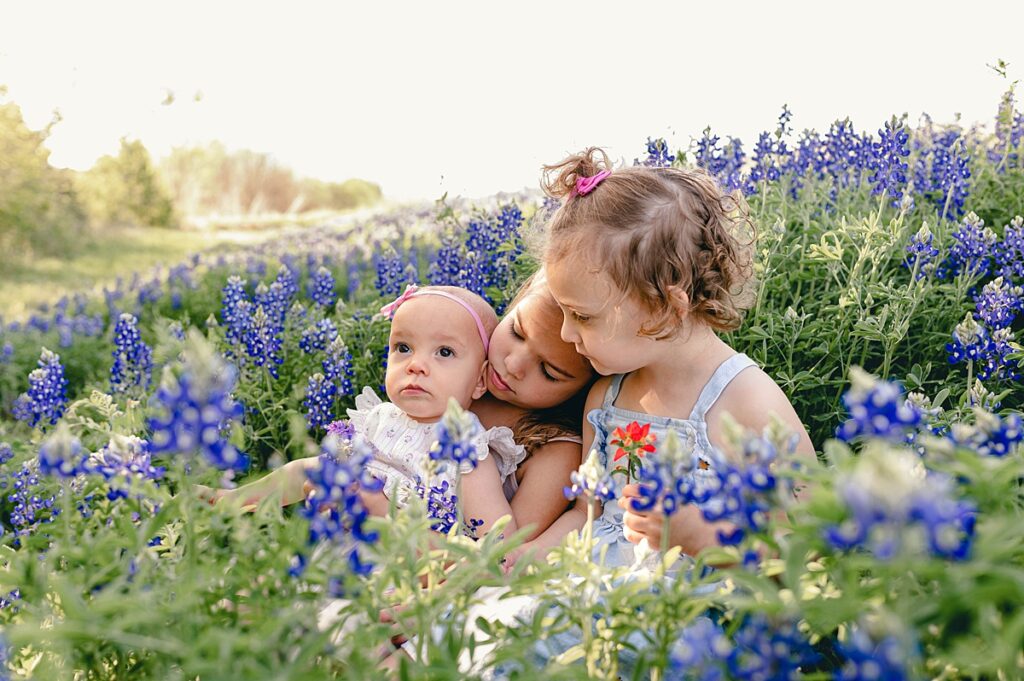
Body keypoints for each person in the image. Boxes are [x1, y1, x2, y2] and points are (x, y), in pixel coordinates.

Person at [437, 149, 816, 677]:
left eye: (582, 317)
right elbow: (587, 513)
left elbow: (810, 545)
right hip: (588, 588)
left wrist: (700, 535)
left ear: (665, 306)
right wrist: (523, 561)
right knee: (460, 629)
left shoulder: (748, 402)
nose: (568, 335)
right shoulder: (606, 399)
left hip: (685, 619)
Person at [208, 276, 595, 540]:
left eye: (549, 370)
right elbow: (311, 471)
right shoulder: (415, 402)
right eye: (516, 332)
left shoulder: (491, 448)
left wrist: (380, 510)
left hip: (415, 572)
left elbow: (499, 549)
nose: (513, 364)